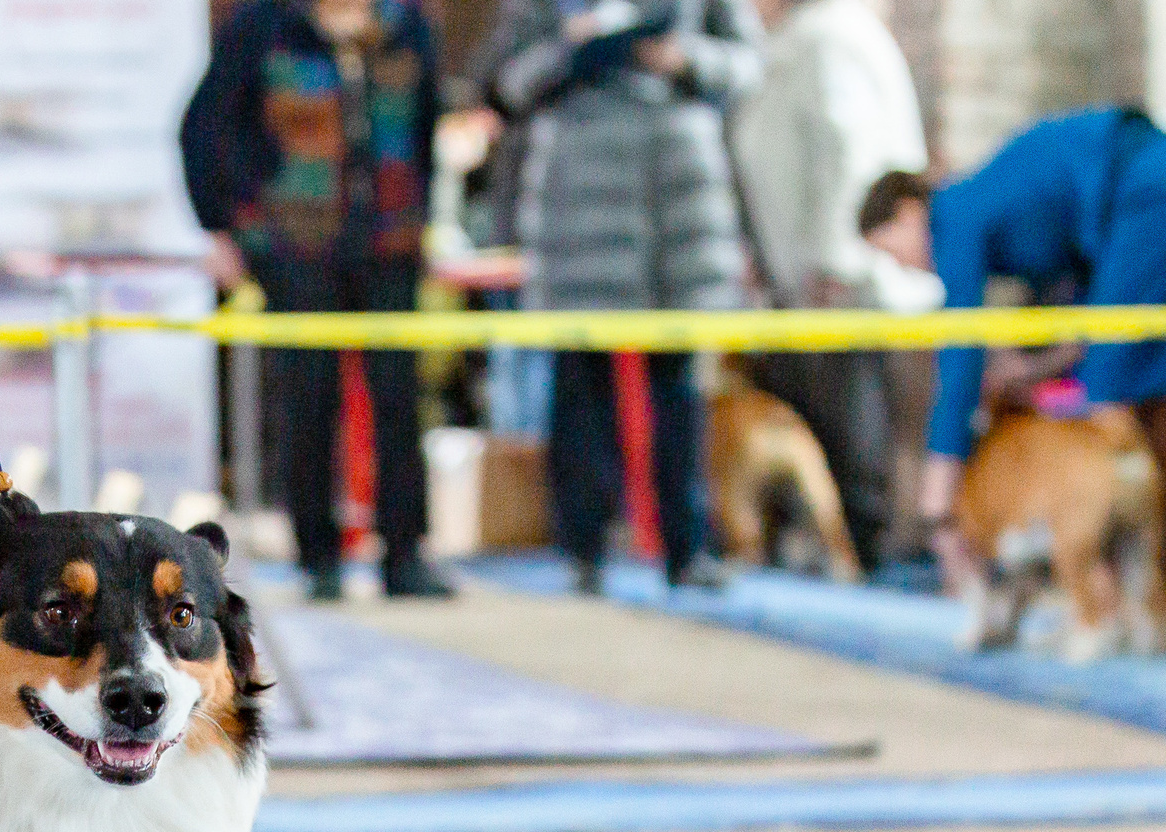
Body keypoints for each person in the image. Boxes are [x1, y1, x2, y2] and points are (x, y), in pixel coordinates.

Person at [485, 0, 763, 593]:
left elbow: (749, 65)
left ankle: (688, 548)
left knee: (680, 388)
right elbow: (508, 82)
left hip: (677, 201)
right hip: (579, 200)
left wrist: (684, 59)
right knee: (581, 387)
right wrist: (571, 49)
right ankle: (583, 550)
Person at [183, 0, 452, 600]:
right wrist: (221, 226)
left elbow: (425, 131)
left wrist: (424, 219)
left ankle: (406, 556)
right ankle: (319, 558)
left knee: (400, 401)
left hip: (390, 243)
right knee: (308, 401)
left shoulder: (407, 25)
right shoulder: (263, 24)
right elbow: (204, 128)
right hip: (293, 247)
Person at [860, 110, 1166, 601]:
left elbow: (961, 351)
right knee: (1122, 378)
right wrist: (1033, 369)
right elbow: (1085, 313)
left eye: (890, 250)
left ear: (908, 212)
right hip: (1133, 183)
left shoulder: (952, 215)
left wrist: (938, 499)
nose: (901, 266)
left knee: (1115, 392)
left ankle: (1116, 593)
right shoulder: (993, 206)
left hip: (1138, 185)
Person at [729, 0, 925, 577]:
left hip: (841, 284)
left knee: (852, 431)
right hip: (803, 281)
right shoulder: (797, 42)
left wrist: (832, 257)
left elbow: (849, 153)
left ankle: (874, 558)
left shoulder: (831, 39)